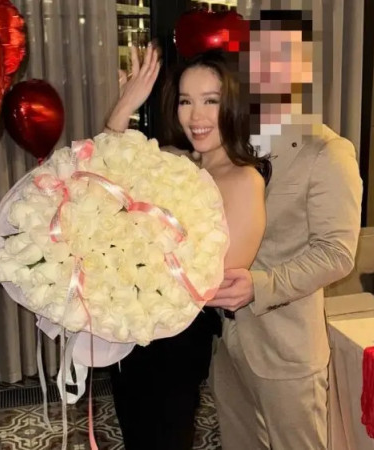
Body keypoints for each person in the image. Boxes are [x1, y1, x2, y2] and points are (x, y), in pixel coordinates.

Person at [206, 9, 364, 450]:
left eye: (281, 58)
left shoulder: (327, 151)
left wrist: (260, 286)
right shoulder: (227, 141)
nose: (266, 69)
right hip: (227, 341)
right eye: (257, 56)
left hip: (286, 348)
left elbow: (336, 253)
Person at [104, 44, 268, 450]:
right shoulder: (171, 158)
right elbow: (101, 176)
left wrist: (131, 251)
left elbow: (218, 278)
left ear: (233, 105)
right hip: (128, 332)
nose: (196, 116)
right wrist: (125, 105)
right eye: (185, 101)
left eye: (210, 101)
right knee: (135, 435)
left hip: (176, 341)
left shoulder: (243, 179)